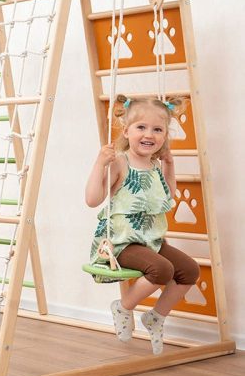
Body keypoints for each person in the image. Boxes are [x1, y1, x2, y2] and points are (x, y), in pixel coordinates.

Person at [85, 94, 200, 355]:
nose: (149, 134)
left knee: (190, 271)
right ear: (126, 130)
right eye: (141, 127)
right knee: (162, 269)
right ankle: (124, 306)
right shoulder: (119, 162)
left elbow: (168, 196)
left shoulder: (155, 165)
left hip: (151, 240)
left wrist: (170, 165)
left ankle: (155, 317)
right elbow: (92, 200)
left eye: (157, 129)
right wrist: (98, 164)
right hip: (121, 242)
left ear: (164, 135)